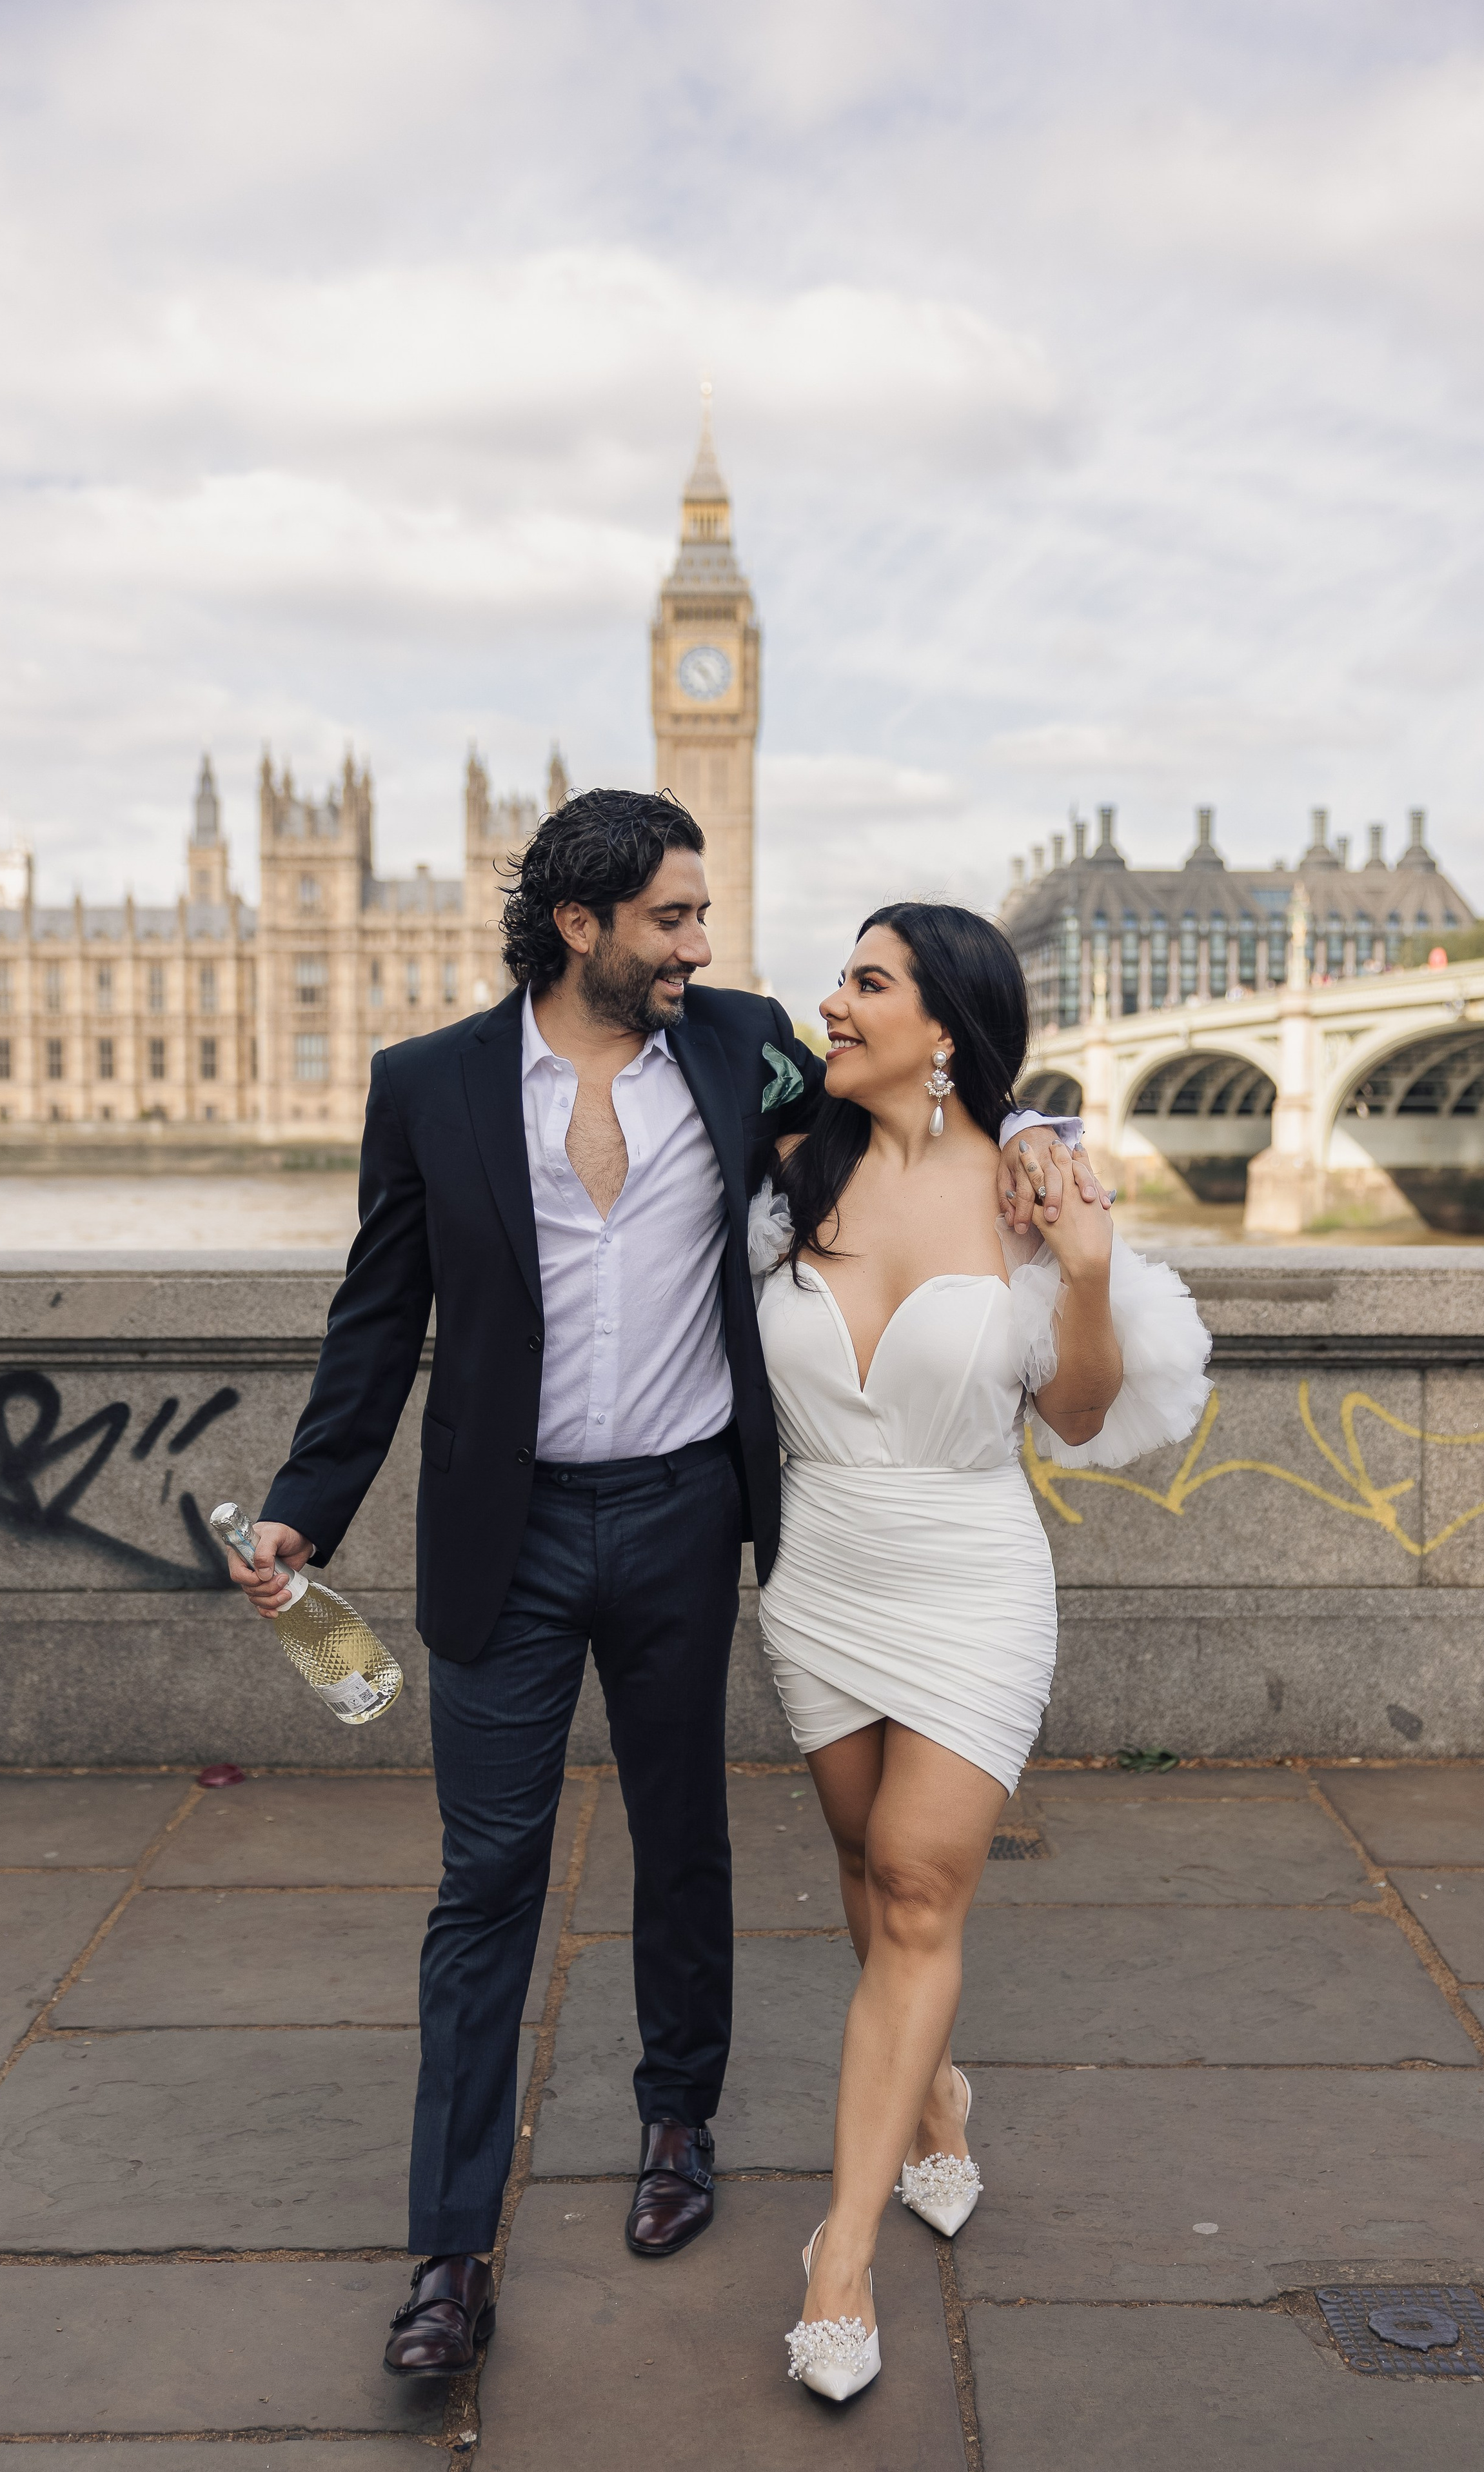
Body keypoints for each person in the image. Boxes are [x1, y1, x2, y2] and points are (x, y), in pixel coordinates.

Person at [221, 792, 1103, 2386]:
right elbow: (376, 1318)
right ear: (581, 927)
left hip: (687, 1510)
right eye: (673, 919)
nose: (704, 944)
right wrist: (303, 1512)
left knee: (682, 1835)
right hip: (506, 1528)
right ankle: (449, 2253)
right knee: (483, 1884)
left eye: (702, 916)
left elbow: (933, 1097)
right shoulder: (427, 1085)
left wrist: (1047, 1129)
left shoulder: (738, 1046)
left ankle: (676, 2123)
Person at [747, 902, 1211, 2402]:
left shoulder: (1033, 1192)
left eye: (864, 983)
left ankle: (838, 2261)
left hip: (968, 1574)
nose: (830, 1003)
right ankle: (932, 2091)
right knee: (860, 1858)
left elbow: (1074, 1416)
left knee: (913, 1881)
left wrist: (1081, 1271)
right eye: (837, 979)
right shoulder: (782, 1169)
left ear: (941, 1025)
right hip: (816, 1570)